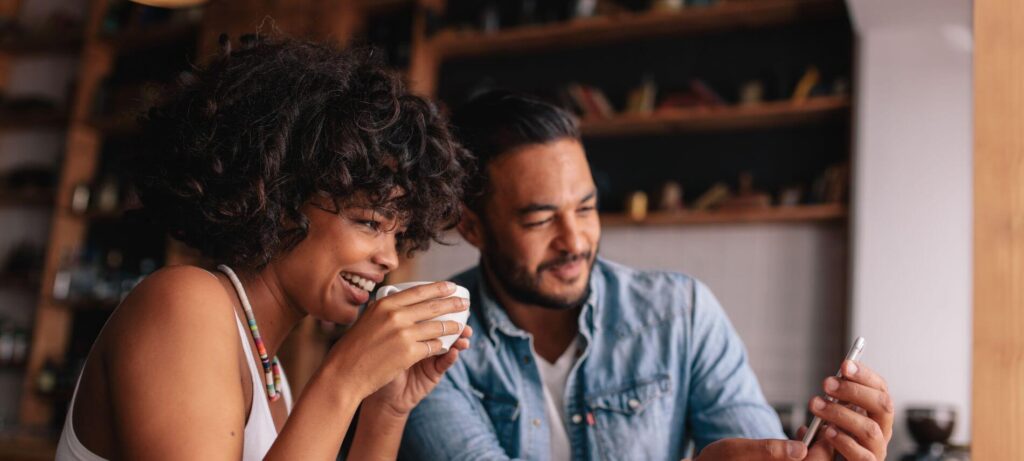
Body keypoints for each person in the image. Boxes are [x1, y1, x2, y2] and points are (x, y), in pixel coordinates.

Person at [399, 91, 894, 461]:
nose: (575, 240)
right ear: (471, 226)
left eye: (587, 207)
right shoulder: (430, 340)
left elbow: (754, 447)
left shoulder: (681, 313)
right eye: (540, 219)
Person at [55, 36, 473, 460]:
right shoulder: (183, 303)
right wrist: (343, 378)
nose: (389, 257)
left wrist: (386, 409)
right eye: (369, 222)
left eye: (399, 235)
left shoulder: (273, 379)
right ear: (281, 200)